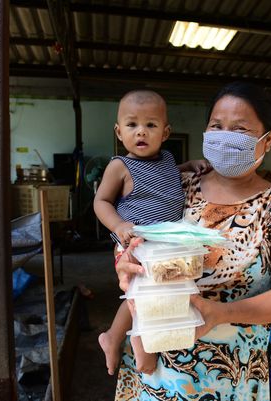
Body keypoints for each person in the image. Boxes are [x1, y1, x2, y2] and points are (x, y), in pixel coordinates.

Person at [113, 82, 271, 400]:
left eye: (240, 129)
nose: (224, 136)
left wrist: (222, 312)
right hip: (153, 375)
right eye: (216, 126)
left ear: (268, 139)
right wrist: (124, 261)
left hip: (228, 380)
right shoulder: (177, 184)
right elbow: (133, 231)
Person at [94, 89, 209, 376]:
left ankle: (115, 335)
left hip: (165, 245)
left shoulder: (168, 160)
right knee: (142, 295)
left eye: (151, 125)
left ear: (166, 132)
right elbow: (101, 201)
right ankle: (138, 346)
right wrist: (119, 226)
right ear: (119, 132)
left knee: (161, 294)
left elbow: (167, 176)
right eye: (132, 125)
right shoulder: (119, 167)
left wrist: (189, 166)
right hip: (136, 244)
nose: (141, 132)